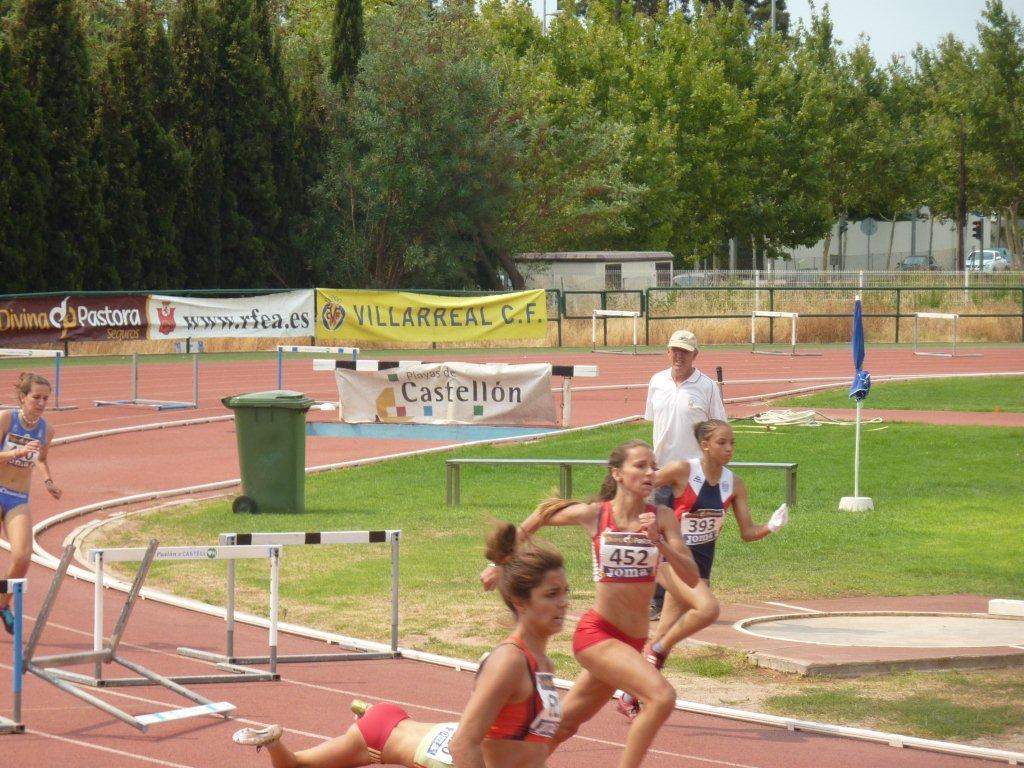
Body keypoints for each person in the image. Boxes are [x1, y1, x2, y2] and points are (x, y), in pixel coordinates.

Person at [234, 520, 568, 768]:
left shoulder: (543, 664)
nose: (564, 603)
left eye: (566, 592)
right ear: (520, 601)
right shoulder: (510, 661)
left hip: (396, 723)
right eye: (551, 594)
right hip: (414, 742)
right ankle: (274, 742)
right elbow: (463, 743)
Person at [481, 439, 701, 768]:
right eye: (640, 465)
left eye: (653, 466)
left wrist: (659, 542)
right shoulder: (597, 514)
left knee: (562, 725)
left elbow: (692, 577)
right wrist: (500, 563)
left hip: (631, 642)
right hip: (598, 635)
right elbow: (541, 515)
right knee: (661, 697)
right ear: (617, 473)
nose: (650, 473)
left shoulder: (663, 517)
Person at [617, 419, 788, 717]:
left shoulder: (734, 484)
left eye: (732, 443)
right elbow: (640, 484)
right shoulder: (683, 470)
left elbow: (747, 532)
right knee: (704, 611)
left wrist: (771, 527)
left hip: (700, 566)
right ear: (705, 445)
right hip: (670, 558)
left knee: (665, 634)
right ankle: (647, 665)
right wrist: (644, 516)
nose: (729, 448)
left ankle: (630, 692)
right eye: (722, 442)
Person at [644, 329, 726, 621]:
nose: (678, 356)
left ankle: (695, 597)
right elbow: (654, 423)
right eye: (674, 350)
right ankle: (658, 600)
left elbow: (718, 429)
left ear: (695, 355)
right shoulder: (657, 382)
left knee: (693, 539)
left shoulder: (707, 387)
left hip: (695, 477)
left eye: (684, 351)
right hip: (661, 474)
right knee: (656, 536)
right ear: (668, 352)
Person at [1, 372, 62, 634]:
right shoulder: (6, 419)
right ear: (23, 397)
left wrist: (48, 481)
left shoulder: (46, 430)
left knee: (23, 557)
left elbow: (41, 459)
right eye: (36, 397)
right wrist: (18, 451)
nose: (41, 403)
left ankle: (3, 603)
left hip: (18, 496)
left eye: (45, 399)